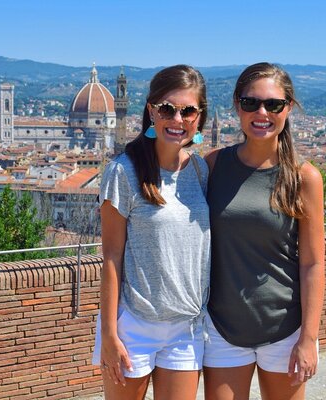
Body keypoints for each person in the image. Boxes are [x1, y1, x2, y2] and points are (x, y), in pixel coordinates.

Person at [203, 62, 325, 400]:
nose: (262, 112)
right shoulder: (213, 166)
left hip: (285, 329)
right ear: (237, 107)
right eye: (250, 103)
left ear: (288, 108)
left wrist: (309, 339)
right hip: (222, 327)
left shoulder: (304, 177)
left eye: (273, 104)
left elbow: (313, 264)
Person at [92, 64, 211, 400]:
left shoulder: (200, 171)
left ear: (199, 117)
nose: (177, 119)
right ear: (151, 112)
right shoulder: (123, 171)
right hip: (133, 326)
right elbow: (111, 257)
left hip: (186, 327)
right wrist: (110, 335)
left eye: (188, 110)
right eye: (167, 109)